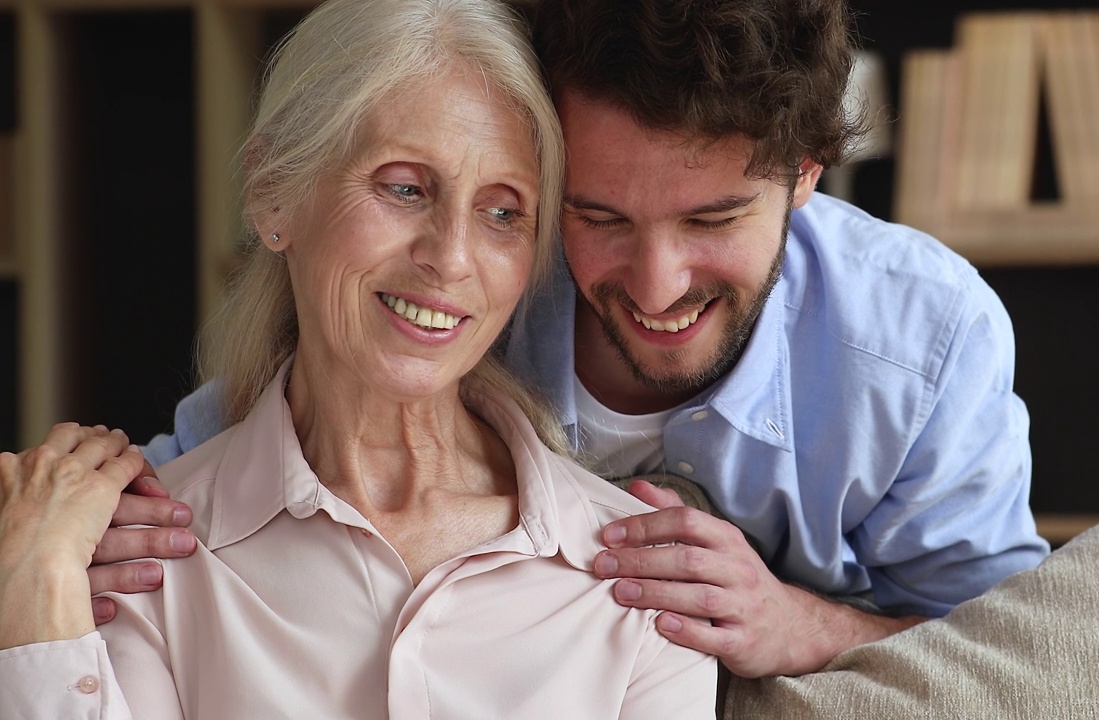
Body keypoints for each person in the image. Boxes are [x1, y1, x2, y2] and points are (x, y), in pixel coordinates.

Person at [90, 0, 1048, 684]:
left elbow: (1016, 659)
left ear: (806, 175)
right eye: (598, 216)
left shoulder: (923, 341)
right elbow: (220, 472)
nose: (656, 284)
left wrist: (809, 625)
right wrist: (85, 509)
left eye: (712, 219)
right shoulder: (472, 273)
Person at [0, 0, 717, 716]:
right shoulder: (138, 556)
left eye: (503, 213)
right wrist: (32, 586)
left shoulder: (639, 583)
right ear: (273, 193)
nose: (451, 258)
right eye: (404, 189)